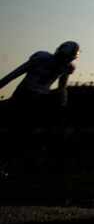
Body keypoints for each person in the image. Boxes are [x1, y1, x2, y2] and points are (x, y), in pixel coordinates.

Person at [0, 41, 79, 174]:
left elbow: (62, 87)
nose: (63, 61)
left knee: (20, 134)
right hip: (24, 96)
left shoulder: (65, 67)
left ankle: (7, 163)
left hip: (38, 100)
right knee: (15, 131)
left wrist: (63, 103)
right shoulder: (42, 58)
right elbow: (17, 72)